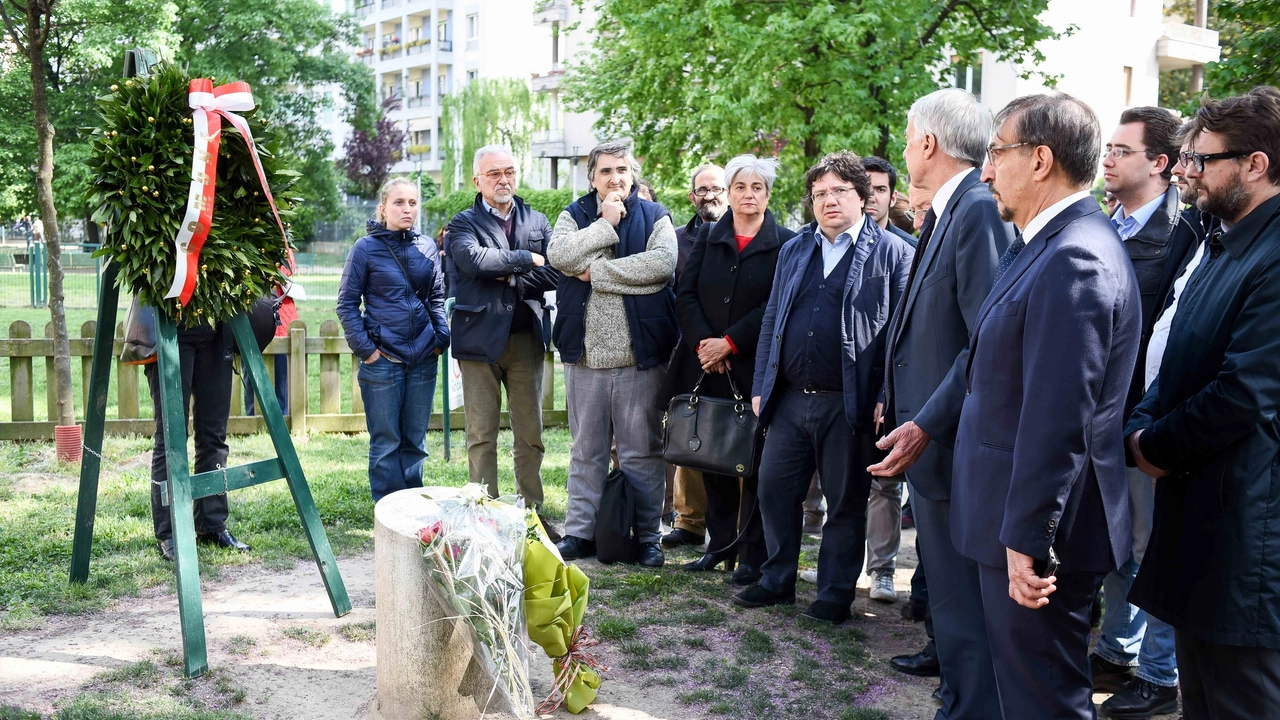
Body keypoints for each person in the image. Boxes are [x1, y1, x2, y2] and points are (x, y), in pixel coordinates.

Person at [953, 93, 1140, 720]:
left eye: (994, 154)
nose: (984, 172)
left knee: (1044, 705)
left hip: (1039, 540)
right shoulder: (1043, 242)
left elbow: (1061, 417)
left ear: (1039, 160)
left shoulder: (1074, 256)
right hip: (1018, 524)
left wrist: (1029, 539)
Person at [1125, 86, 1280, 720]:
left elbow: (1246, 391)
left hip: (1247, 529)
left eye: (1205, 159)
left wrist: (1154, 446)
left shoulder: (1270, 256)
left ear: (1256, 164)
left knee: (1241, 698)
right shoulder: (1222, 242)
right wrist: (1140, 425)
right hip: (1201, 516)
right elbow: (1178, 355)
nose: (1190, 173)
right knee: (1203, 700)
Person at [870, 89, 1013, 716]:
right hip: (929, 441)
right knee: (952, 607)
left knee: (963, 607)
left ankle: (968, 704)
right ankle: (958, 696)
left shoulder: (977, 210)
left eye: (906, 136)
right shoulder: (950, 210)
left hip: (952, 445)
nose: (904, 150)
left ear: (928, 143)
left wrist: (926, 421)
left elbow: (985, 338)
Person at [733, 151, 912, 625]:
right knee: (773, 490)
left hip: (850, 405)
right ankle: (777, 580)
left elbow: (900, 335)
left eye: (839, 191)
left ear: (864, 196)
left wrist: (884, 397)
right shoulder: (796, 250)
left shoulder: (894, 253)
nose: (829, 201)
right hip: (790, 398)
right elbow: (773, 317)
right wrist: (761, 383)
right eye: (820, 194)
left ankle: (834, 594)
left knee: (846, 502)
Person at [1090, 106, 1200, 719]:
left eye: (1121, 149)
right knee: (1119, 545)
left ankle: (1160, 676)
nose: (1107, 157)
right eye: (1106, 146)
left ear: (1158, 164)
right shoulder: (1110, 225)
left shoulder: (1179, 235)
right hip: (1110, 418)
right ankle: (1117, 649)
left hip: (1147, 422)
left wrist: (1145, 424)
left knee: (1150, 548)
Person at [661, 154, 796, 585]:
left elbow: (775, 306)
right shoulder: (709, 238)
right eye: (740, 187)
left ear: (768, 194)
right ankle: (718, 549)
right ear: (730, 192)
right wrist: (706, 344)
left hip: (752, 365)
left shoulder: (786, 243)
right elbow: (685, 293)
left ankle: (752, 555)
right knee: (714, 457)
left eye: (757, 188)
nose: (748, 195)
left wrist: (731, 342)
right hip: (706, 365)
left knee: (753, 462)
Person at [547, 141, 679, 568]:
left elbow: (660, 267)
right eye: (606, 171)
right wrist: (604, 224)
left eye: (622, 169)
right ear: (592, 177)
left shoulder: (655, 216)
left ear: (633, 172)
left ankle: (647, 538)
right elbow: (560, 256)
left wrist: (596, 274)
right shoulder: (574, 215)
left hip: (638, 358)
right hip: (584, 357)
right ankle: (581, 533)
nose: (615, 178)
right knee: (586, 450)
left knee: (642, 451)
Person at [445, 145, 561, 533]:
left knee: (530, 434)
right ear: (477, 181)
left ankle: (532, 516)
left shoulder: (538, 220)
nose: (503, 180)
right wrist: (528, 260)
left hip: (526, 338)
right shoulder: (461, 224)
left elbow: (555, 274)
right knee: (481, 434)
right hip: (478, 341)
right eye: (494, 173)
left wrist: (506, 271)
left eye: (509, 171)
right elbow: (474, 262)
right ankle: (485, 515)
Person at [337, 177, 449, 502]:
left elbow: (437, 296)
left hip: (424, 359)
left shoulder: (427, 246)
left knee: (415, 442)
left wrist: (441, 337)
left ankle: (413, 512)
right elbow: (346, 304)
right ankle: (388, 513)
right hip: (383, 361)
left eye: (413, 203)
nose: (407, 208)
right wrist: (368, 351)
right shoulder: (365, 249)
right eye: (399, 202)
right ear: (383, 207)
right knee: (386, 443)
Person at [146, 318, 250, 561]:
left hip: (216, 328)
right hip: (169, 327)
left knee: (214, 435)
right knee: (171, 437)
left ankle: (211, 524)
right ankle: (168, 532)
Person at [662, 163, 727, 550]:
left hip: (736, 351)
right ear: (692, 197)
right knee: (691, 434)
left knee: (733, 435)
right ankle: (688, 521)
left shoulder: (741, 234)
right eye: (702, 190)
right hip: (690, 350)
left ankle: (731, 523)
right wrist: (702, 343)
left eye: (716, 188)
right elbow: (676, 295)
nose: (710, 195)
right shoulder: (676, 240)